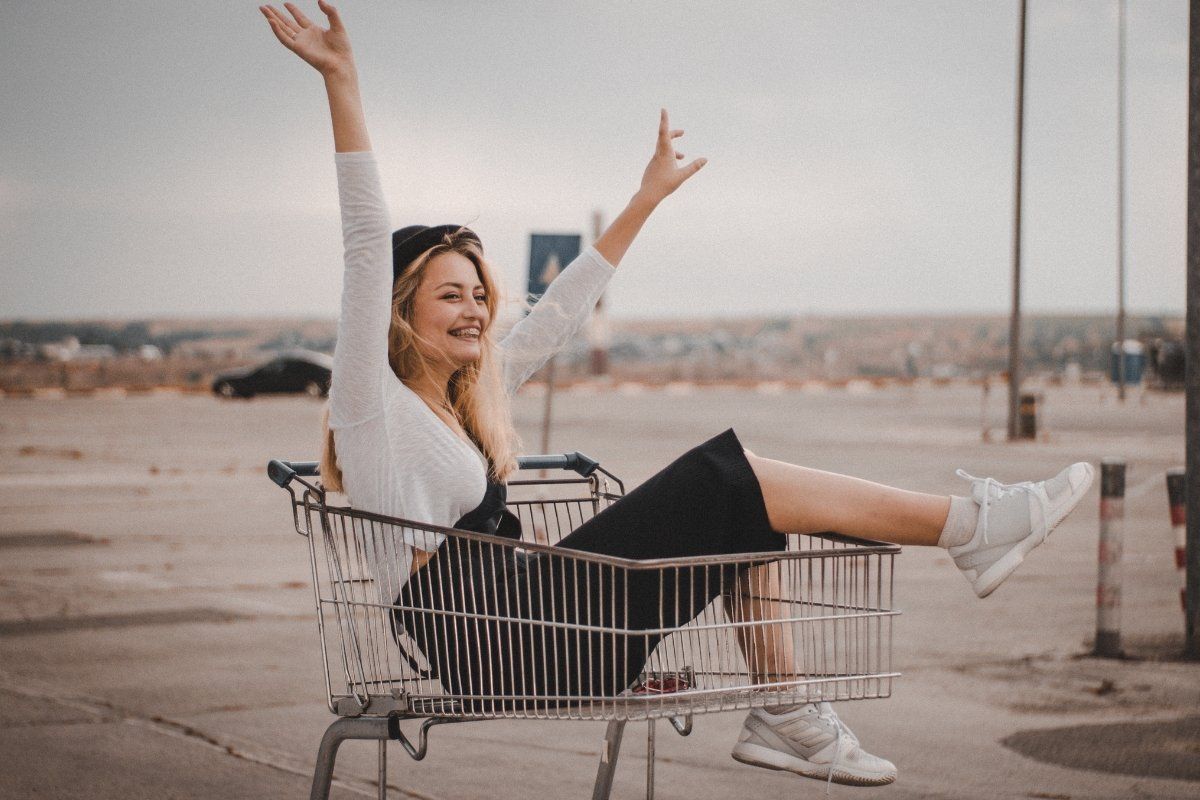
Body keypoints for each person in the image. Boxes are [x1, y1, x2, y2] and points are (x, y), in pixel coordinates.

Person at [260, 2, 1095, 788]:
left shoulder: (467, 401)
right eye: (451, 295)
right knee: (728, 474)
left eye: (480, 294)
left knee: (747, 511)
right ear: (397, 310)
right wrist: (342, 82)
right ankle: (970, 527)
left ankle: (785, 711)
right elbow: (365, 244)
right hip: (508, 641)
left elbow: (556, 317)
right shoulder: (371, 409)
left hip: (533, 622)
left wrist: (645, 200)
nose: (475, 308)